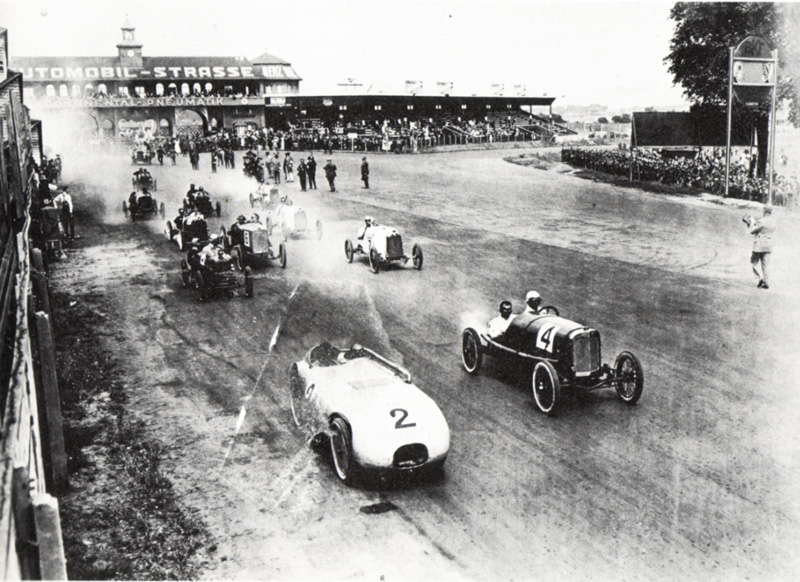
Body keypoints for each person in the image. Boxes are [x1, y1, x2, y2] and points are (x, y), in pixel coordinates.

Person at [745, 204, 777, 289]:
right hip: (769, 244)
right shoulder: (773, 221)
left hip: (759, 245)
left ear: (765, 211)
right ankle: (766, 281)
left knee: (754, 262)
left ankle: (760, 278)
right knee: (765, 264)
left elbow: (752, 231)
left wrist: (751, 222)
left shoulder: (761, 221)